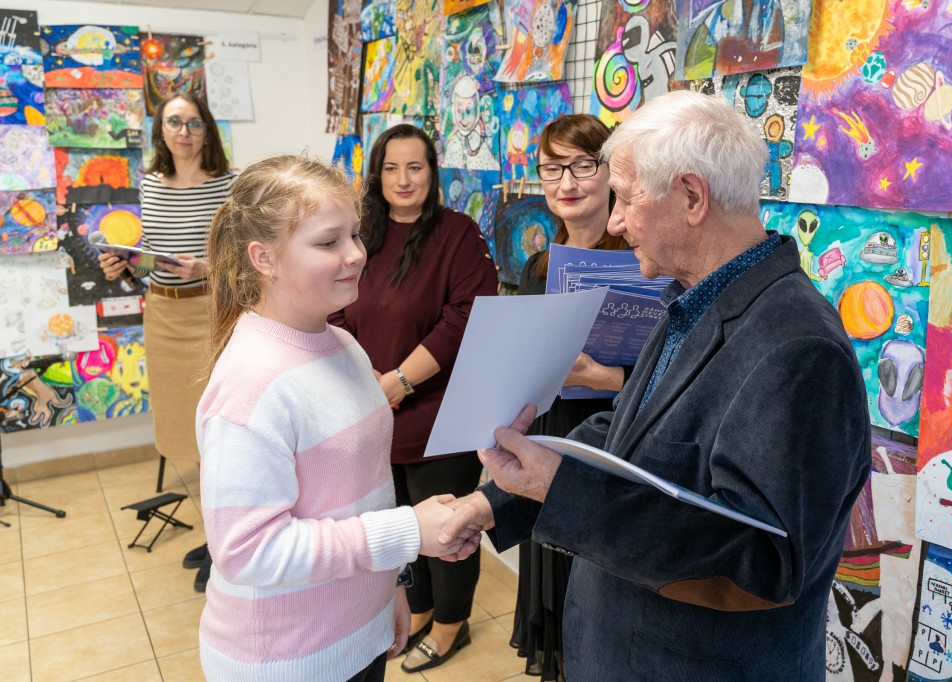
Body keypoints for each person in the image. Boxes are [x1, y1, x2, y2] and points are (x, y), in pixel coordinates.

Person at [439, 90, 872, 679]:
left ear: (691, 196)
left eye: (625, 197)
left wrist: (561, 489)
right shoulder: (693, 299)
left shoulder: (799, 349)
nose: (615, 220)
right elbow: (625, 432)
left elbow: (763, 566)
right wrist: (494, 500)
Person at [196, 155, 478, 682]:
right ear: (264, 258)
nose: (355, 255)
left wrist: (391, 585)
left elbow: (364, 492)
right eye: (328, 242)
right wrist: (408, 532)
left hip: (357, 636)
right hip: (289, 662)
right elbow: (248, 551)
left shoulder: (343, 344)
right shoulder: (252, 382)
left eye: (355, 234)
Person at [330, 124, 499, 673]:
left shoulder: (457, 233)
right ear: (376, 176)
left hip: (440, 416)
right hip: (373, 410)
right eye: (391, 168)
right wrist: (369, 379)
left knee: (449, 529)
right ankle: (421, 609)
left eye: (415, 167)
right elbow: (333, 309)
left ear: (433, 172)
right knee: (402, 525)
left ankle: (451, 624)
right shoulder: (361, 237)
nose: (403, 179)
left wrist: (399, 381)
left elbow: (466, 318)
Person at [98, 92, 233, 593]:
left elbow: (249, 257)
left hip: (213, 313)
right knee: (190, 438)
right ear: (160, 131)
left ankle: (227, 545)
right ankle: (217, 536)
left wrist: (207, 268)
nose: (183, 131)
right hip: (163, 315)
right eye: (174, 122)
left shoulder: (229, 184)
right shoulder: (149, 186)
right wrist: (122, 267)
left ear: (207, 129)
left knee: (220, 437)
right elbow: (147, 261)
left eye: (193, 123)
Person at [513, 113, 629, 681]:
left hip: (613, 441)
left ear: (611, 172)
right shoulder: (537, 268)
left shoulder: (641, 262)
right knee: (555, 589)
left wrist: (602, 376)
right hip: (548, 434)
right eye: (552, 169)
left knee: (601, 598)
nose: (567, 182)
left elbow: (670, 376)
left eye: (583, 166)